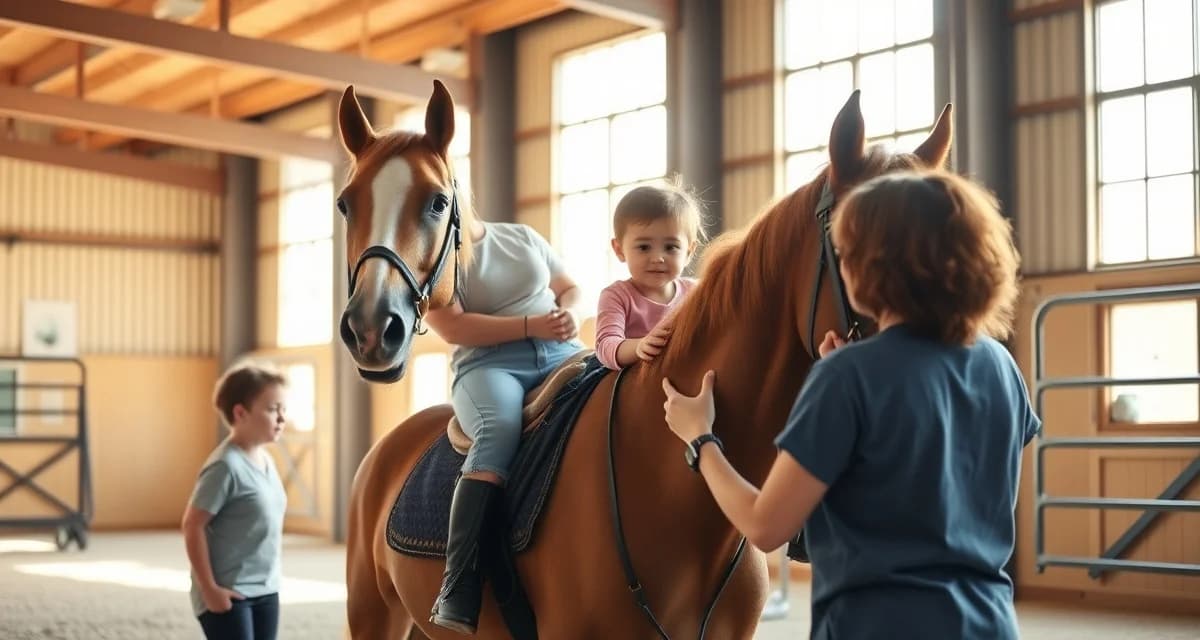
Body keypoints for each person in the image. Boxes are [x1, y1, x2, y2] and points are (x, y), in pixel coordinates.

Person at [662, 170, 1039, 639]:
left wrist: (700, 438)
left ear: (873, 265)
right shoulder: (999, 365)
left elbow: (764, 526)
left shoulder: (847, 377)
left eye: (846, 253)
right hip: (990, 624)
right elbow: (944, 482)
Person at [424, 215, 585, 634]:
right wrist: (533, 325)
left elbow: (569, 286)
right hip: (489, 366)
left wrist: (570, 312)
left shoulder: (521, 236)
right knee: (498, 431)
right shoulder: (436, 254)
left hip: (561, 350)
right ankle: (458, 584)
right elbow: (452, 325)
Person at [182, 361, 289, 640]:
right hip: (230, 592)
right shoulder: (225, 466)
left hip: (266, 589)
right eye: (272, 409)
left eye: (283, 409)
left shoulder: (266, 459)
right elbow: (192, 526)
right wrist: (209, 590)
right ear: (240, 412)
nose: (281, 418)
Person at [594, 181, 705, 370]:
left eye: (670, 247)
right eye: (644, 247)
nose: (658, 258)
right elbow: (605, 345)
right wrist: (639, 346)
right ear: (619, 250)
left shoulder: (696, 293)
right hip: (632, 381)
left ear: (689, 252)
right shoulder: (617, 296)